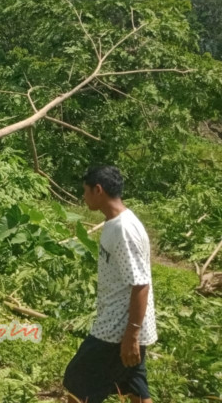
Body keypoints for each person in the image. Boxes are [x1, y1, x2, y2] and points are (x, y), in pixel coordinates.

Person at [63, 166, 157, 403]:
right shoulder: (114, 222)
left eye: (85, 191)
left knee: (77, 382)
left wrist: (131, 335)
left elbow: (140, 284)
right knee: (136, 387)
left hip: (117, 330)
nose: (83, 198)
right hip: (124, 326)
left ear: (98, 190)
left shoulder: (124, 230)